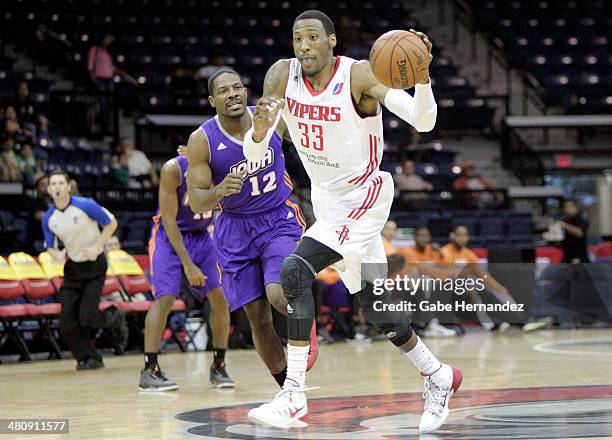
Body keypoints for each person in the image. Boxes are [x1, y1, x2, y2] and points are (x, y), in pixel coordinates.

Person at [243, 10, 461, 434]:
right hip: (327, 201)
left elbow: (424, 120)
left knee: (294, 270)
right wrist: (260, 132)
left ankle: (293, 395)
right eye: (297, 39)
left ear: (331, 41)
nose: (303, 46)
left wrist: (422, 75)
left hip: (365, 195)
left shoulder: (359, 76)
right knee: (376, 309)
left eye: (312, 38)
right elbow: (258, 153)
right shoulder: (279, 76)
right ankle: (438, 375)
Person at [185, 68, 318, 390]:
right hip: (234, 230)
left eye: (237, 86)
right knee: (257, 320)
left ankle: (308, 330)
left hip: (277, 219)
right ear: (211, 100)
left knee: (277, 293)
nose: (232, 93)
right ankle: (290, 391)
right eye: (223, 90)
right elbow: (197, 203)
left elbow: (311, 136)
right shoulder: (202, 139)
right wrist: (218, 191)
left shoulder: (269, 118)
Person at [139, 154, 234, 391]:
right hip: (168, 237)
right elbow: (169, 220)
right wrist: (188, 264)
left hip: (202, 237)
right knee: (165, 299)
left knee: (221, 298)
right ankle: (149, 369)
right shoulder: (173, 169)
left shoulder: (221, 166)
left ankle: (219, 365)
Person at [41, 169, 128, 370]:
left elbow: (111, 222)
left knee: (87, 315)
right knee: (67, 322)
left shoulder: (85, 204)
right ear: (48, 189)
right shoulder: (49, 218)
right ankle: (89, 358)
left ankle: (115, 317)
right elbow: (51, 248)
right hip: (72, 269)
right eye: (53, 184)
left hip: (95, 265)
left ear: (69, 186)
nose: (57, 187)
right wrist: (58, 256)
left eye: (61, 183)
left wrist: (98, 247)